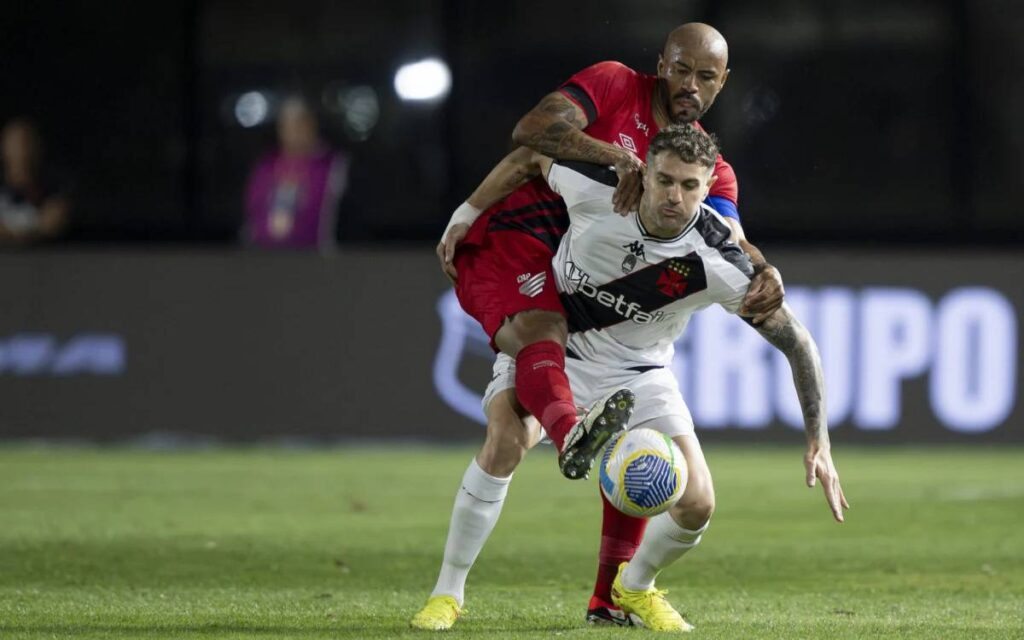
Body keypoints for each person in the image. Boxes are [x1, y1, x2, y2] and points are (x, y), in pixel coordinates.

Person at [412, 23, 785, 629]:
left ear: (723, 83)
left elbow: (729, 240)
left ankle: (612, 596)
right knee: (512, 422)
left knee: (645, 459)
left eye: (706, 76)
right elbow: (531, 139)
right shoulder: (613, 86)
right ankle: (448, 591)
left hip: (606, 304)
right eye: (681, 69)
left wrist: (766, 270)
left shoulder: (708, 171)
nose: (690, 85)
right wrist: (470, 210)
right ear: (661, 64)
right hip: (528, 239)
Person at [448, 124, 849, 631]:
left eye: (689, 186)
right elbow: (530, 153)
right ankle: (449, 591)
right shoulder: (597, 187)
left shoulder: (720, 259)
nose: (673, 196)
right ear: (646, 171)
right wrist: (467, 214)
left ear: (708, 191)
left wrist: (820, 440)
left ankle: (632, 587)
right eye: (665, 180)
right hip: (554, 348)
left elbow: (799, 344)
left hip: (637, 374)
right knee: (505, 440)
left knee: (699, 503)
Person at [243, 98, 349, 252]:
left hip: (315, 258)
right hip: (265, 258)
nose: (294, 132)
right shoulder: (266, 166)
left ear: (312, 125)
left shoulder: (333, 165)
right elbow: (253, 210)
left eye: (300, 124)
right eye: (288, 126)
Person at [0, 118, 70, 246]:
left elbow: (53, 224)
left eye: (26, 142)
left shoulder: (54, 191)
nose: (21, 150)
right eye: (15, 143)